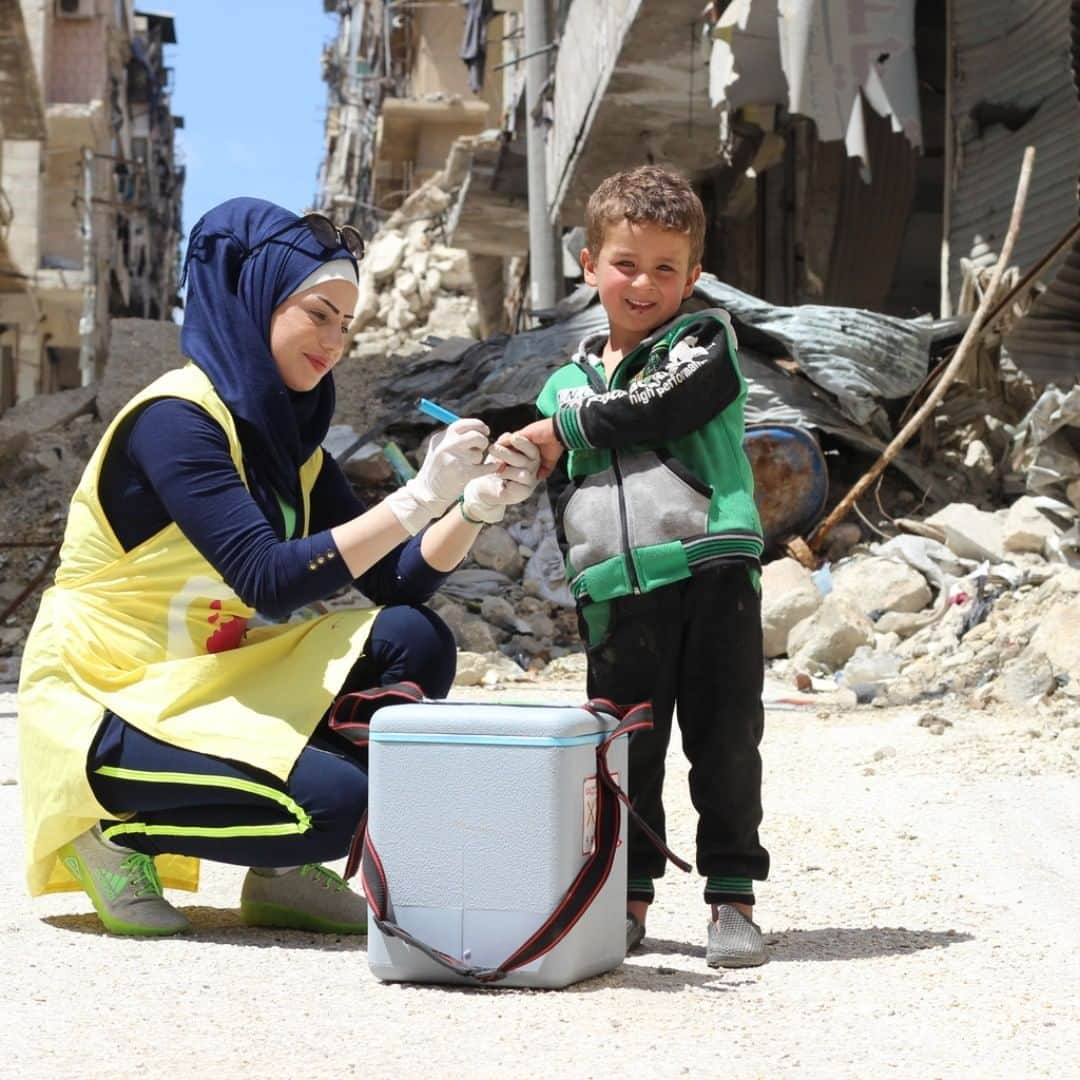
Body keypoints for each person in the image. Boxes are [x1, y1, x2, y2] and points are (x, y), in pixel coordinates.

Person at [17, 197, 540, 938]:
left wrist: (474, 507)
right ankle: (109, 838)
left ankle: (277, 876)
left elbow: (392, 581)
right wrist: (419, 494)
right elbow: (266, 577)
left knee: (412, 636)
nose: (333, 342)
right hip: (109, 695)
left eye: (346, 325)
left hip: (203, 680)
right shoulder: (177, 420)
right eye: (318, 314)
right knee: (341, 805)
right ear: (254, 298)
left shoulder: (290, 445)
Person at [513, 166, 769, 968]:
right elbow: (549, 475)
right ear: (589, 265)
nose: (644, 283)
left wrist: (561, 430)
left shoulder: (704, 341)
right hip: (615, 596)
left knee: (725, 740)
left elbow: (660, 406)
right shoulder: (562, 385)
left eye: (667, 268)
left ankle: (732, 899)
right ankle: (626, 900)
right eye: (626, 263)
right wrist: (510, 456)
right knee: (625, 753)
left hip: (711, 572)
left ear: (695, 276)